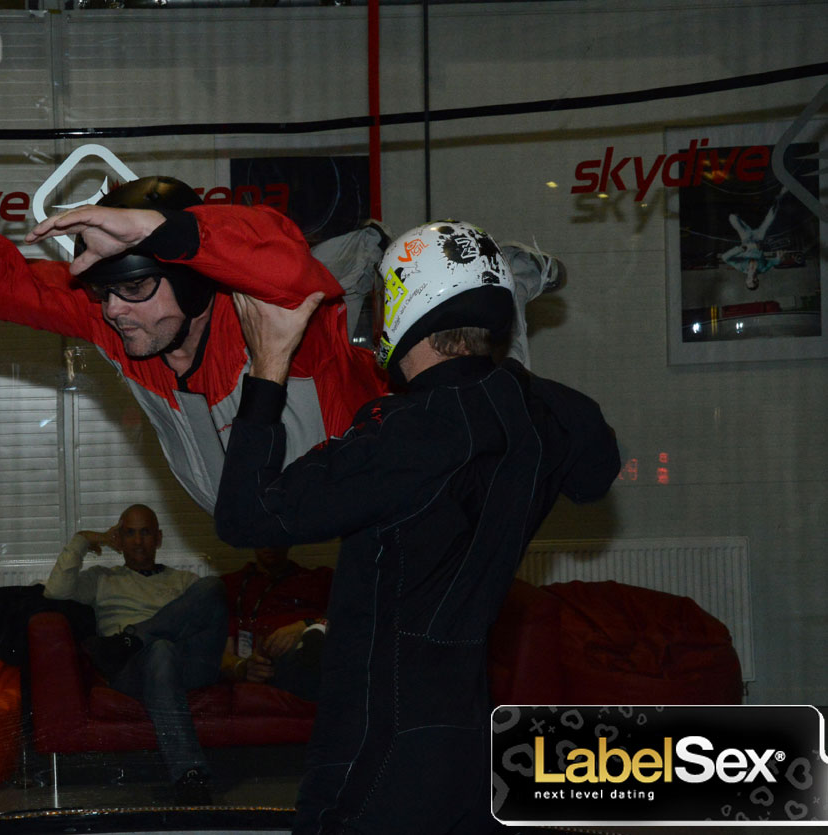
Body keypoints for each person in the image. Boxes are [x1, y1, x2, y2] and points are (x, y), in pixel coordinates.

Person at [213, 220, 621, 834]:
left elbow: (245, 516)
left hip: (379, 733)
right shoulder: (552, 412)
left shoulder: (408, 431)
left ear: (404, 306)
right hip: (470, 731)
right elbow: (594, 475)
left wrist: (269, 364)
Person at [0, 176, 387, 514]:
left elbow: (284, 262)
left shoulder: (278, 320)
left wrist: (168, 232)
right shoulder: (114, 320)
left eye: (135, 288)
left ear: (196, 281)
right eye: (105, 292)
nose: (114, 310)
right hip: (251, 515)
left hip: (361, 488)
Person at [42, 504, 227, 804]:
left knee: (213, 587)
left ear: (159, 538)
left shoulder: (183, 582)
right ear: (120, 538)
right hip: (131, 670)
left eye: (145, 533)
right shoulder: (103, 579)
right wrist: (86, 538)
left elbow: (211, 625)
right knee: (161, 649)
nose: (138, 541)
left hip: (185, 666)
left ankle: (136, 637)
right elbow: (55, 591)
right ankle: (188, 774)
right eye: (130, 533)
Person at [219, 546, 331, 701]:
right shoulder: (232, 585)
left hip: (306, 654)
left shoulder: (316, 580)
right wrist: (242, 667)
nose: (269, 544)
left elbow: (348, 616)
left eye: (276, 537)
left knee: (315, 639)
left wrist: (304, 625)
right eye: (262, 536)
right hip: (261, 664)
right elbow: (218, 654)